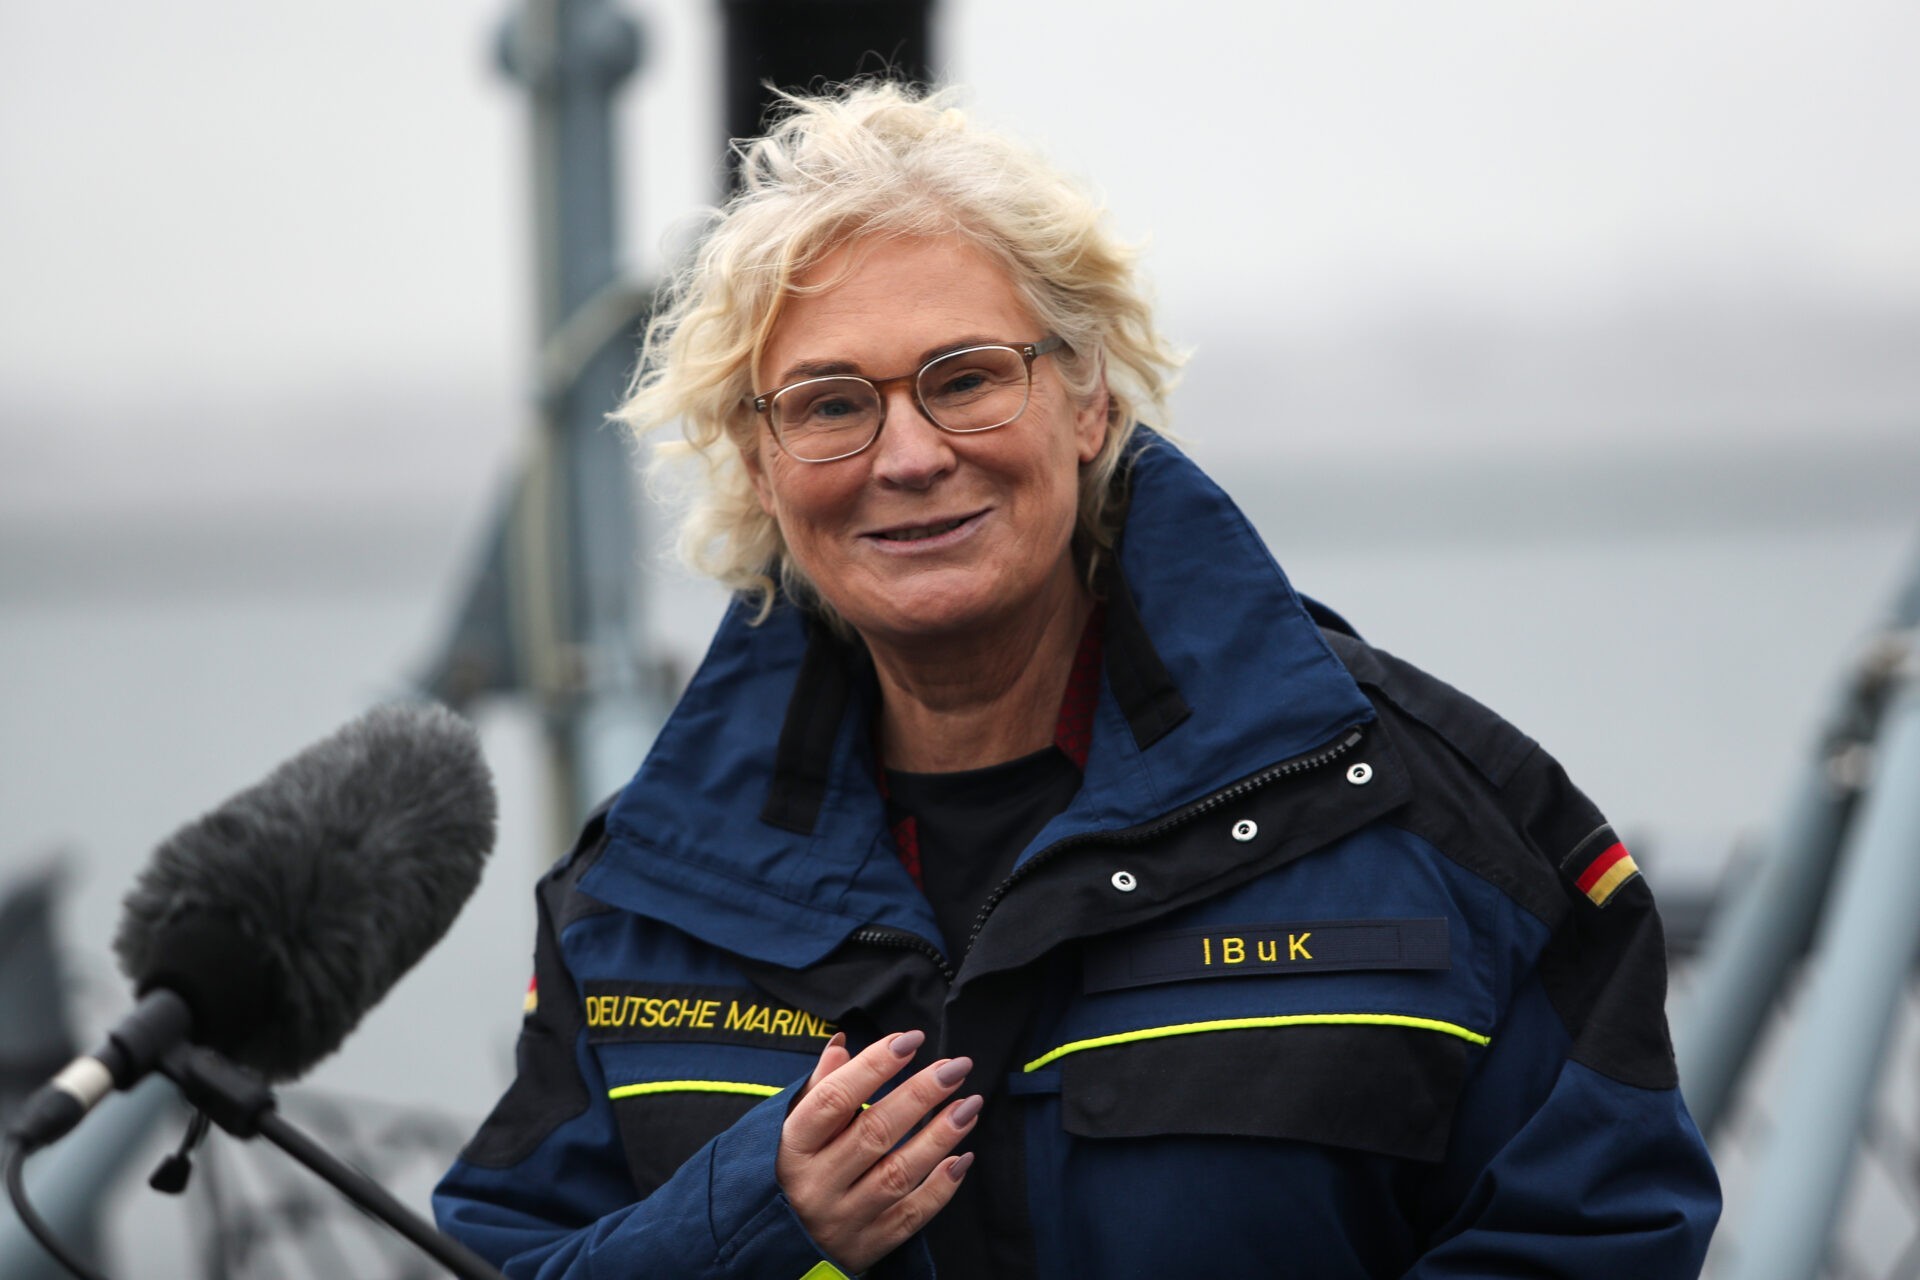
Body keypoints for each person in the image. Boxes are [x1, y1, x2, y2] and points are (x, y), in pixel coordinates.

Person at [433, 82, 1720, 1278]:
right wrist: (753, 1220)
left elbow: (1604, 1231)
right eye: (830, 404)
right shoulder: (640, 904)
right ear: (759, 464)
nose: (912, 453)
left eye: (969, 378)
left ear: (1090, 399)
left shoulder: (1441, 829)